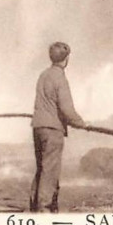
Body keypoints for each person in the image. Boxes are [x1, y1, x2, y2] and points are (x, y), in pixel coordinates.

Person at [29, 41, 88, 212]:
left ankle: (34, 207)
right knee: (50, 172)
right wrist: (81, 123)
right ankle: (44, 210)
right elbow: (66, 109)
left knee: (41, 169)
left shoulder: (43, 75)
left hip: (38, 127)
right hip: (53, 130)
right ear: (66, 59)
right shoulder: (60, 78)